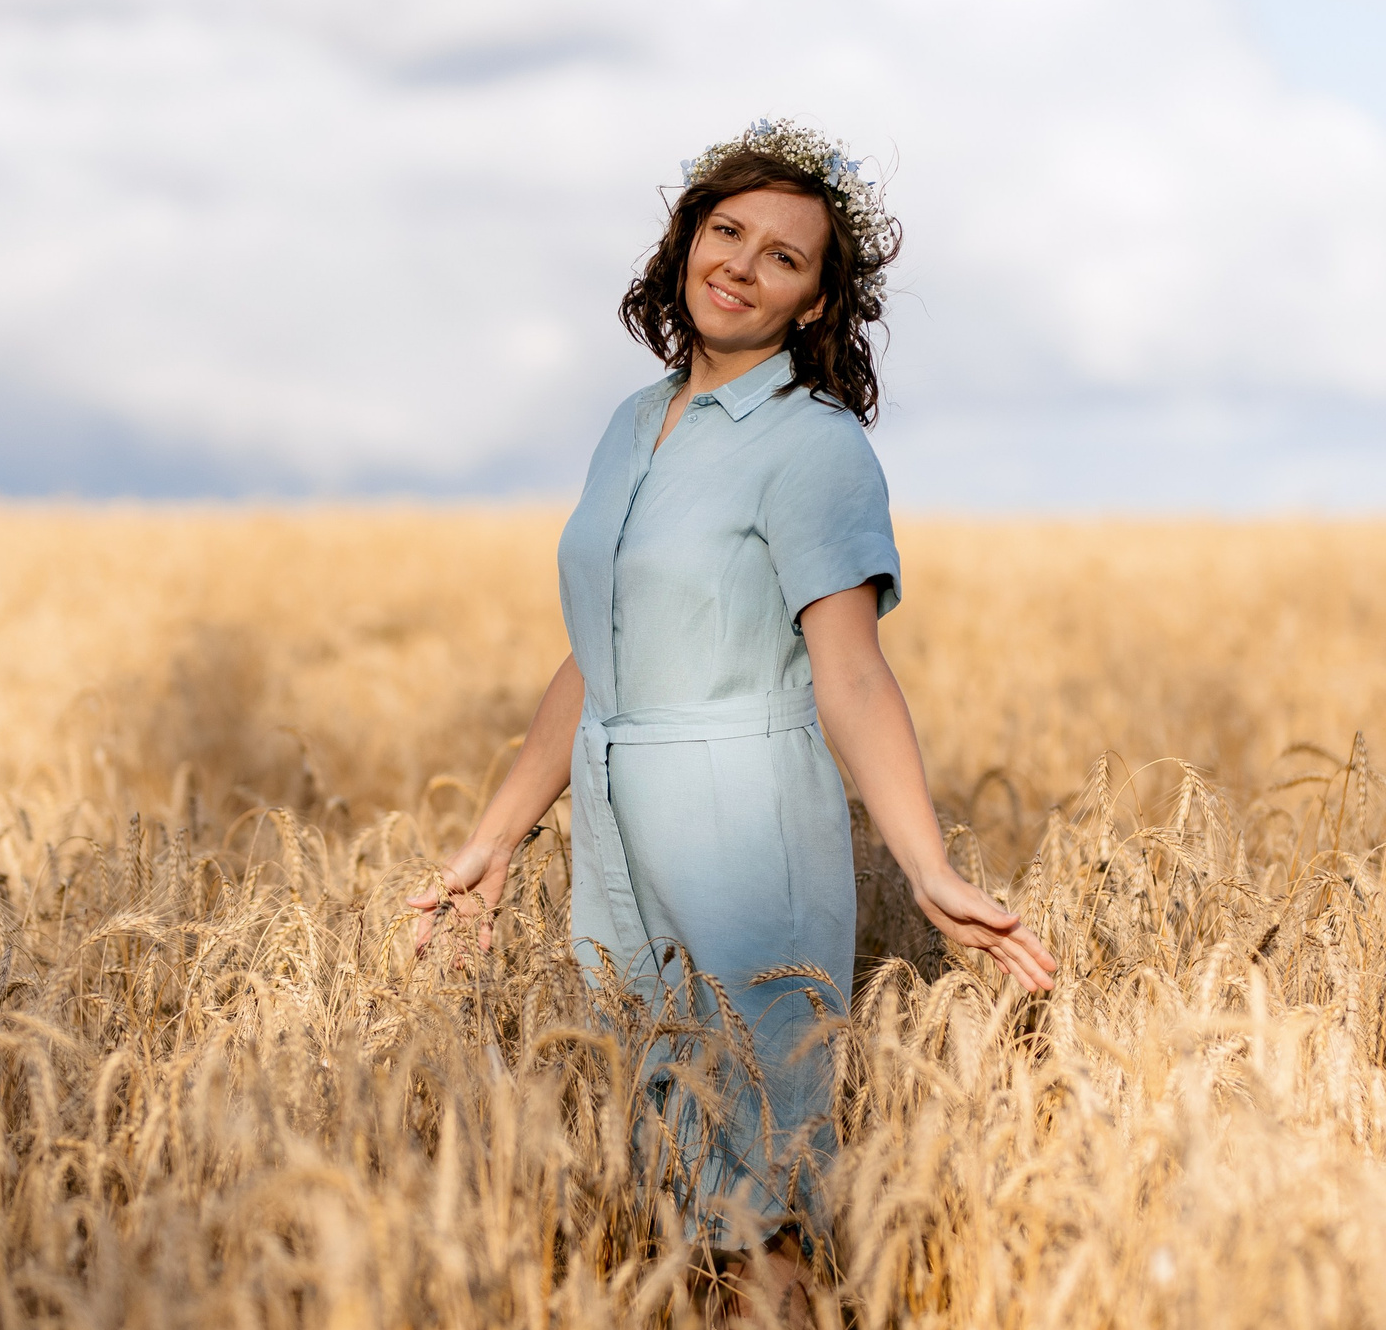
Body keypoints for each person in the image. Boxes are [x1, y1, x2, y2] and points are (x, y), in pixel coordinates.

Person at [410, 117, 1057, 1258]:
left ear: (813, 305)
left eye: (782, 258)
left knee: (762, 1181)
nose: (741, 267)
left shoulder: (813, 448)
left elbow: (849, 667)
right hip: (616, 819)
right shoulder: (630, 422)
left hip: (741, 822)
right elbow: (598, 652)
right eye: (727, 232)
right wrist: (498, 837)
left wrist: (928, 865)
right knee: (663, 1169)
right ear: (684, 240)